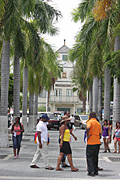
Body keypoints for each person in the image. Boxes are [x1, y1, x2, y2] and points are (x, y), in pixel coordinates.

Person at [86, 112, 101, 176]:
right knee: (95, 157)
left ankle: (91, 171)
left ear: (90, 116)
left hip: (91, 142)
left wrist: (88, 135)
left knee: (90, 157)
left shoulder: (90, 122)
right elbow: (100, 133)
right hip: (97, 142)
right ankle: (95, 170)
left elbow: (88, 128)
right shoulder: (98, 123)